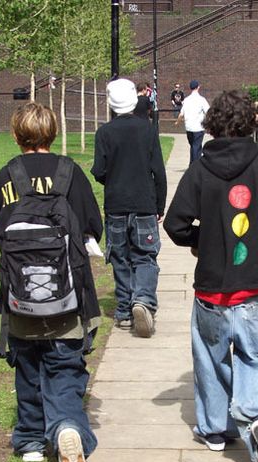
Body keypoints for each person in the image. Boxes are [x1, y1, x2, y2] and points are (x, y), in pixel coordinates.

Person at [164, 90, 258, 462]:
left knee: (210, 358)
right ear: (251, 124)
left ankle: (215, 429)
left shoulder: (201, 169)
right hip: (257, 285)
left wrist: (201, 242)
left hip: (212, 287)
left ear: (211, 126)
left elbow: (175, 224)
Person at [0, 102, 103, 462]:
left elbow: (2, 229)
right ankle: (67, 427)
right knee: (64, 367)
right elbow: (93, 225)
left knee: (27, 365)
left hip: (19, 293)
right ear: (53, 133)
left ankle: (29, 440)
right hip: (68, 295)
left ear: (16, 135)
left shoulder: (9, 175)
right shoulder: (70, 173)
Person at [91, 78, 167, 337]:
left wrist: (111, 178)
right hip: (144, 203)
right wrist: (160, 203)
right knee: (145, 256)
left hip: (116, 204)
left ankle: (124, 311)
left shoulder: (104, 133)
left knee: (120, 257)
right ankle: (143, 299)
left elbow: (99, 170)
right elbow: (158, 169)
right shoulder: (147, 130)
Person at [175, 79, 210, 164]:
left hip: (189, 127)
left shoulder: (186, 100)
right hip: (198, 127)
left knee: (194, 146)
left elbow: (181, 114)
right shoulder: (201, 100)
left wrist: (177, 122)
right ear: (198, 87)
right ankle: (194, 165)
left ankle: (195, 163)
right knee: (196, 146)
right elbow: (209, 112)